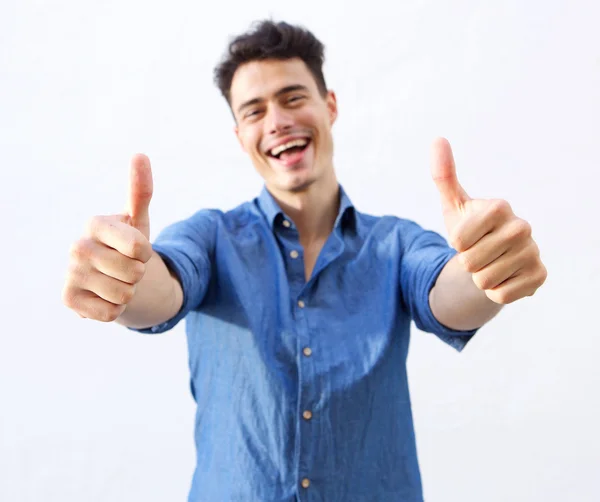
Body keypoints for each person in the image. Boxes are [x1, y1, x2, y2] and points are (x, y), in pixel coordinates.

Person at [62, 19, 547, 502]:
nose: (276, 121)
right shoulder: (209, 237)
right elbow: (161, 289)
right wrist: (123, 280)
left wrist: (485, 271)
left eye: (293, 98)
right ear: (239, 136)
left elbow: (448, 293)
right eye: (254, 111)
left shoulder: (395, 243)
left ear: (329, 106)